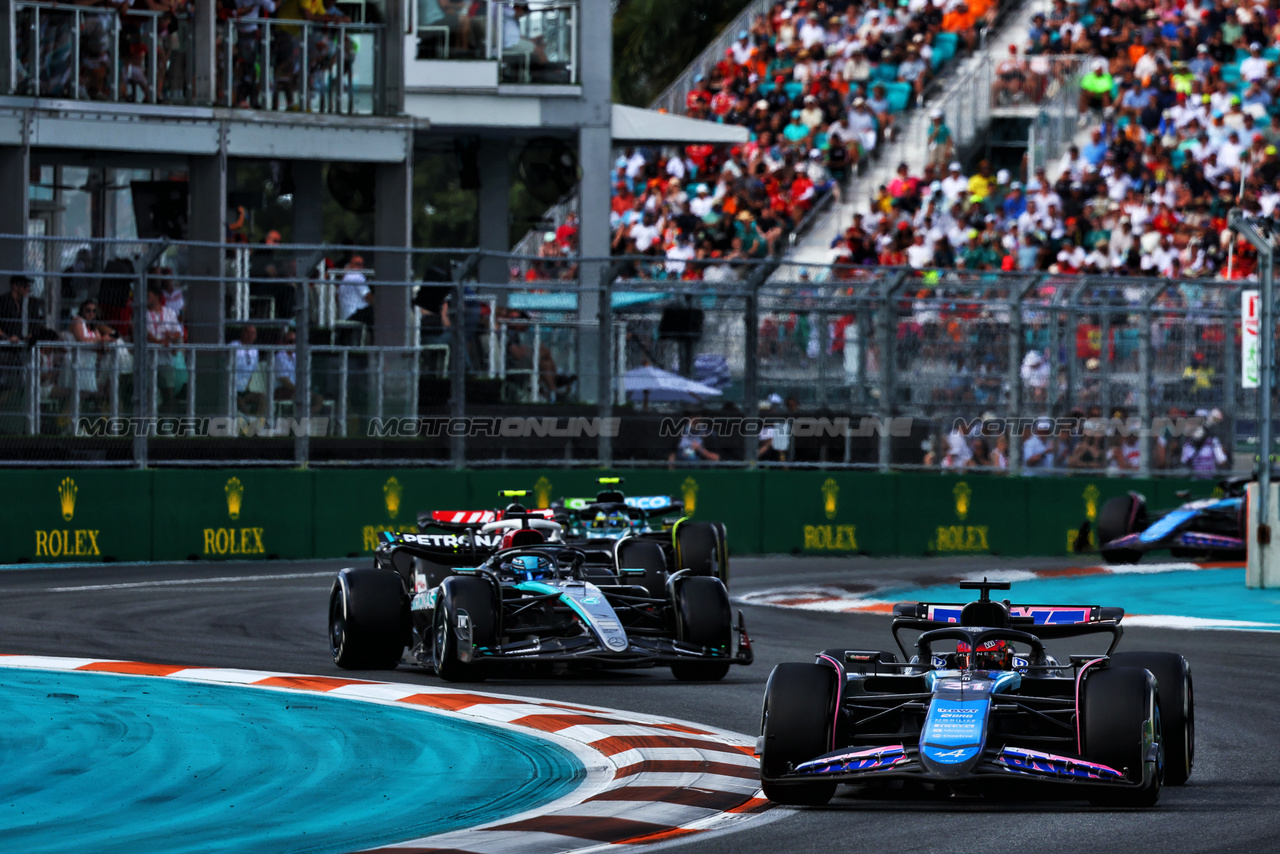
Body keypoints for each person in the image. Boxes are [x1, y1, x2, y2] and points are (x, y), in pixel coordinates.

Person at [234, 324, 266, 416]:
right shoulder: (234, 346)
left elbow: (252, 372)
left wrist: (247, 386)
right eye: (248, 333)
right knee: (242, 405)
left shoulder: (254, 351)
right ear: (243, 333)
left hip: (244, 390)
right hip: (232, 390)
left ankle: (258, 422)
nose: (251, 336)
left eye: (253, 333)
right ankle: (248, 423)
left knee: (262, 398)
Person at [337, 254, 373, 326]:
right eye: (357, 264)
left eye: (361, 265)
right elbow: (368, 296)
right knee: (375, 312)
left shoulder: (345, 278)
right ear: (350, 265)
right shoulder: (356, 276)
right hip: (355, 314)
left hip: (346, 315)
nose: (360, 267)